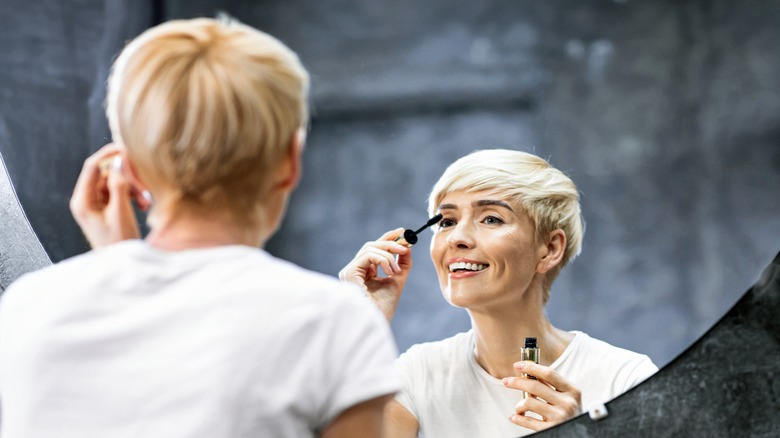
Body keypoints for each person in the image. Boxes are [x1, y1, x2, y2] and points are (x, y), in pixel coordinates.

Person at [0, 18, 400, 437]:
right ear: (290, 162)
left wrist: (117, 264)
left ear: (127, 166)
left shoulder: (29, 307)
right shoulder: (333, 322)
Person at [340, 148, 658, 437]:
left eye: (491, 218)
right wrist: (358, 327)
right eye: (447, 221)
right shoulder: (419, 374)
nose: (457, 238)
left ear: (549, 248)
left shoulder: (626, 379)